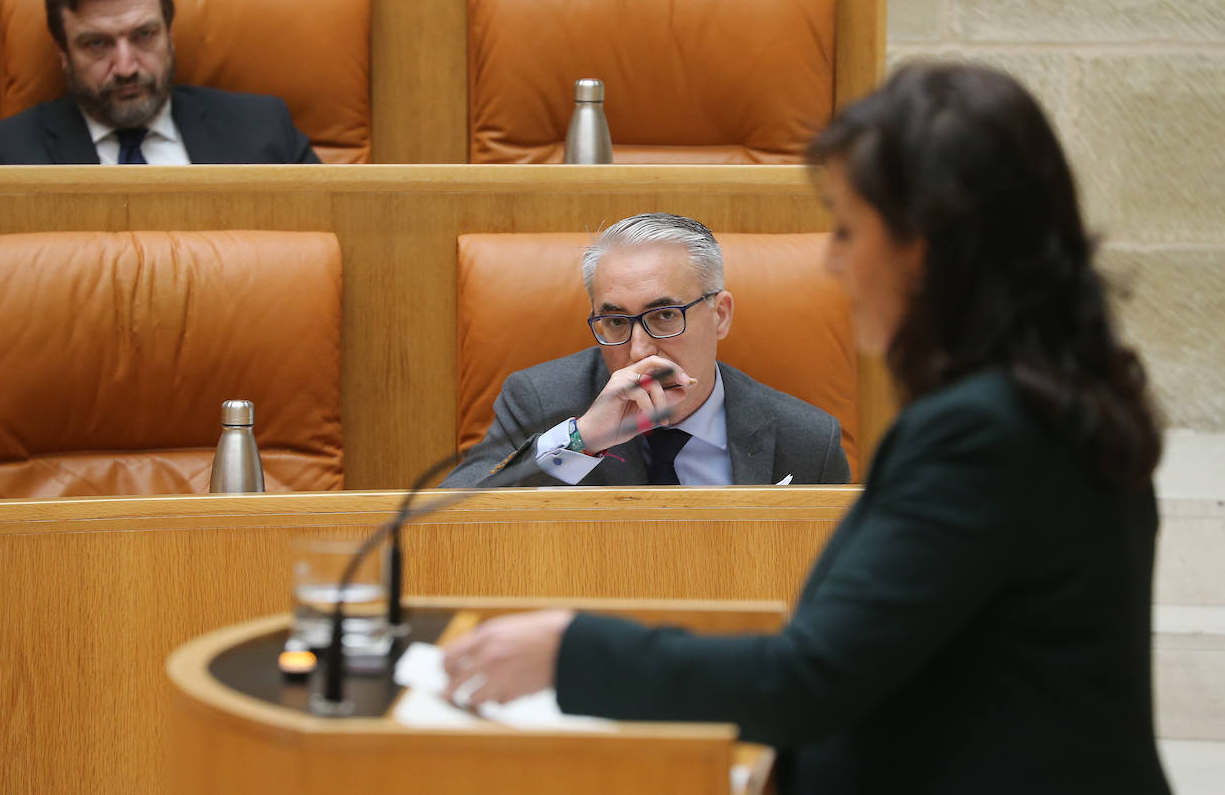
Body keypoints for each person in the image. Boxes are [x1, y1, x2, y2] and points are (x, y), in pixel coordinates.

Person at [442, 63, 1171, 794]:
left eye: (850, 230)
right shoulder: (1047, 396)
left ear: (928, 244)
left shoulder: (986, 433)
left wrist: (571, 651)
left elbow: (811, 676)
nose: (833, 260)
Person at [439, 212, 851, 488]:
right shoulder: (540, 400)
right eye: (616, 321)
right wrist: (584, 440)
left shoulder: (808, 440)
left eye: (665, 315)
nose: (639, 349)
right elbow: (449, 522)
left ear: (720, 315)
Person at [0, 0, 320, 165]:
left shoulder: (265, 133)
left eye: (144, 35)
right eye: (97, 43)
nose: (126, 66)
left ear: (169, 31)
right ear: (63, 52)